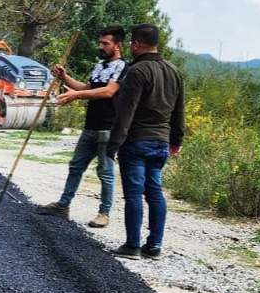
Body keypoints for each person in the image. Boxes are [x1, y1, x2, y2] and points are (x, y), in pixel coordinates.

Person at [106, 23, 184, 259]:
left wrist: (114, 144)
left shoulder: (137, 71)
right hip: (161, 142)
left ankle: (132, 246)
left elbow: (125, 112)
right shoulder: (174, 71)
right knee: (155, 193)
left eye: (132, 43)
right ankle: (154, 246)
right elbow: (179, 111)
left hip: (137, 141)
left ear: (137, 44)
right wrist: (176, 140)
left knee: (134, 194)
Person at [35, 26, 126, 228]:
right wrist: (64, 77)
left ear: (118, 45)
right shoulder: (99, 65)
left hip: (108, 128)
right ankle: (63, 205)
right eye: (100, 42)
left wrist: (76, 96)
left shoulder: (122, 67)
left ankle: (104, 213)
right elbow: (87, 89)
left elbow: (108, 92)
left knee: (105, 171)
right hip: (90, 126)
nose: (100, 46)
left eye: (105, 43)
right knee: (76, 166)